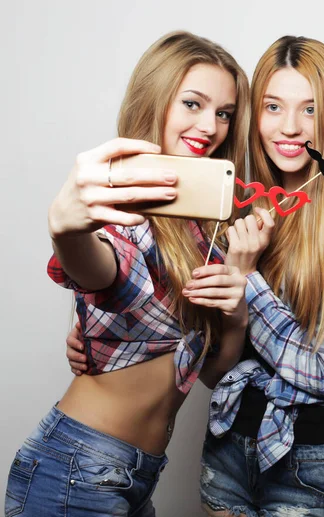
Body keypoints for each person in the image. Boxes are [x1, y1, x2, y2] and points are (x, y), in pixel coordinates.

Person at [5, 31, 250, 517]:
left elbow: (215, 375)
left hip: (133, 473)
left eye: (223, 112)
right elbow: (97, 266)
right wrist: (65, 229)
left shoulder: (203, 231)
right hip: (78, 468)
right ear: (155, 97)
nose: (211, 125)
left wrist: (238, 316)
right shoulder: (119, 211)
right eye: (193, 104)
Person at [198, 36, 324, 516]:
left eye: (309, 110)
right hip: (230, 439)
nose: (289, 128)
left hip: (314, 458)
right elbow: (212, 365)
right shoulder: (237, 204)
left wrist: (244, 277)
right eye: (273, 106)